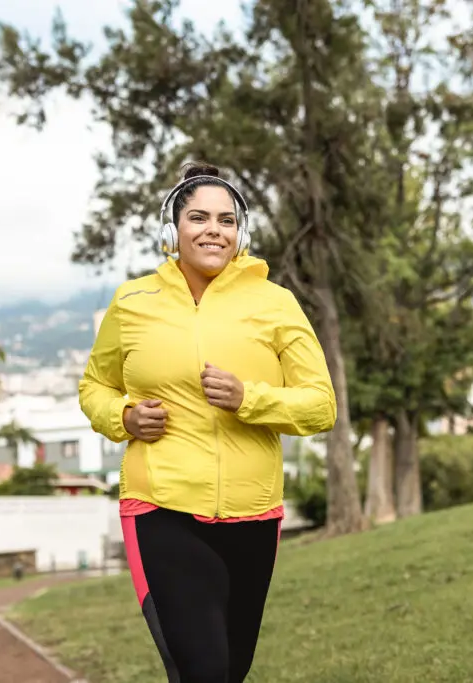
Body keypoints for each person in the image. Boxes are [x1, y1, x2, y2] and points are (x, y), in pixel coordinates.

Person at [78, 162, 336, 683]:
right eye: (198, 217)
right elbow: (93, 387)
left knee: (230, 670)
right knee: (206, 670)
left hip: (252, 514)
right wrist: (124, 417)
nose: (213, 229)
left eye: (225, 219)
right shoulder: (133, 303)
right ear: (172, 231)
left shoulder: (275, 303)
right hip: (161, 506)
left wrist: (250, 398)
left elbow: (320, 405)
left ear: (241, 234)